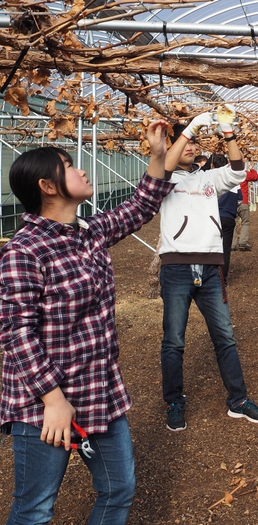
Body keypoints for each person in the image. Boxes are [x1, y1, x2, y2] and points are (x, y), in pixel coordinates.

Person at [0, 120, 172, 524]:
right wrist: (53, 399)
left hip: (99, 388)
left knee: (118, 491)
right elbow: (14, 331)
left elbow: (141, 207)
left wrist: (157, 155)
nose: (81, 170)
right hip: (45, 404)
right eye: (69, 165)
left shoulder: (88, 233)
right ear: (47, 186)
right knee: (35, 509)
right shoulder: (25, 251)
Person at [159, 108, 258, 431]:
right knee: (174, 341)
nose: (190, 146)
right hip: (177, 269)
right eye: (183, 141)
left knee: (225, 336)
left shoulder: (208, 177)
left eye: (193, 141)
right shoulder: (162, 178)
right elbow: (164, 168)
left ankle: (238, 400)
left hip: (209, 269)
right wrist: (190, 128)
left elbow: (238, 171)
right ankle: (174, 401)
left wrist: (228, 133)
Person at [211, 154, 243, 283]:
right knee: (225, 249)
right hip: (228, 217)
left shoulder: (209, 177)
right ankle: (222, 279)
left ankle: (210, 277)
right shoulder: (233, 181)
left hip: (213, 218)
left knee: (210, 246)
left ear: (213, 165)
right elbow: (240, 200)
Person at [234, 168, 258, 251]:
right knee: (245, 222)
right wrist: (252, 169)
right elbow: (255, 177)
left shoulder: (229, 174)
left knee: (233, 223)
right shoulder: (244, 173)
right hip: (243, 201)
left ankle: (232, 244)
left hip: (232, 202)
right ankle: (243, 242)